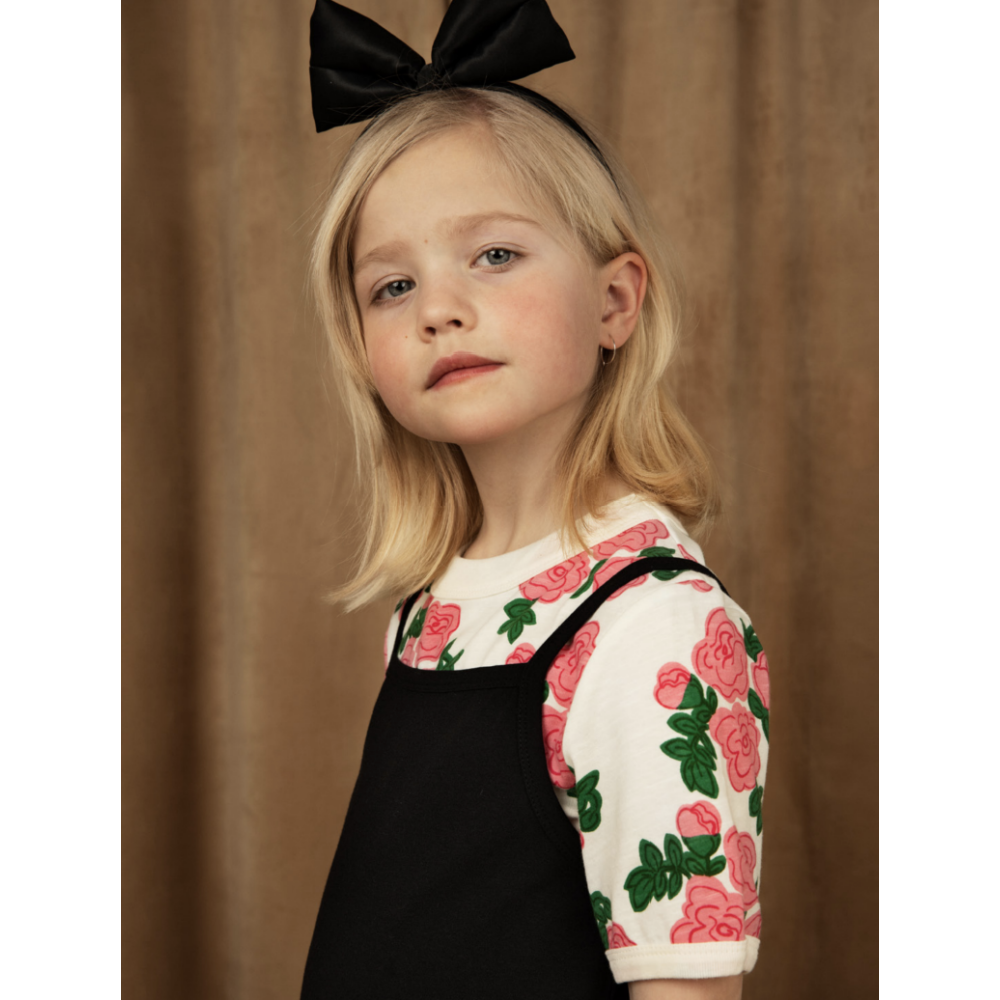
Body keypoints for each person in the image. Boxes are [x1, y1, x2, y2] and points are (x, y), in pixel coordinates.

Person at [300, 3, 770, 999]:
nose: (439, 308)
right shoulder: (430, 610)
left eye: (495, 255)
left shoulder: (653, 627)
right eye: (392, 286)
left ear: (615, 301)